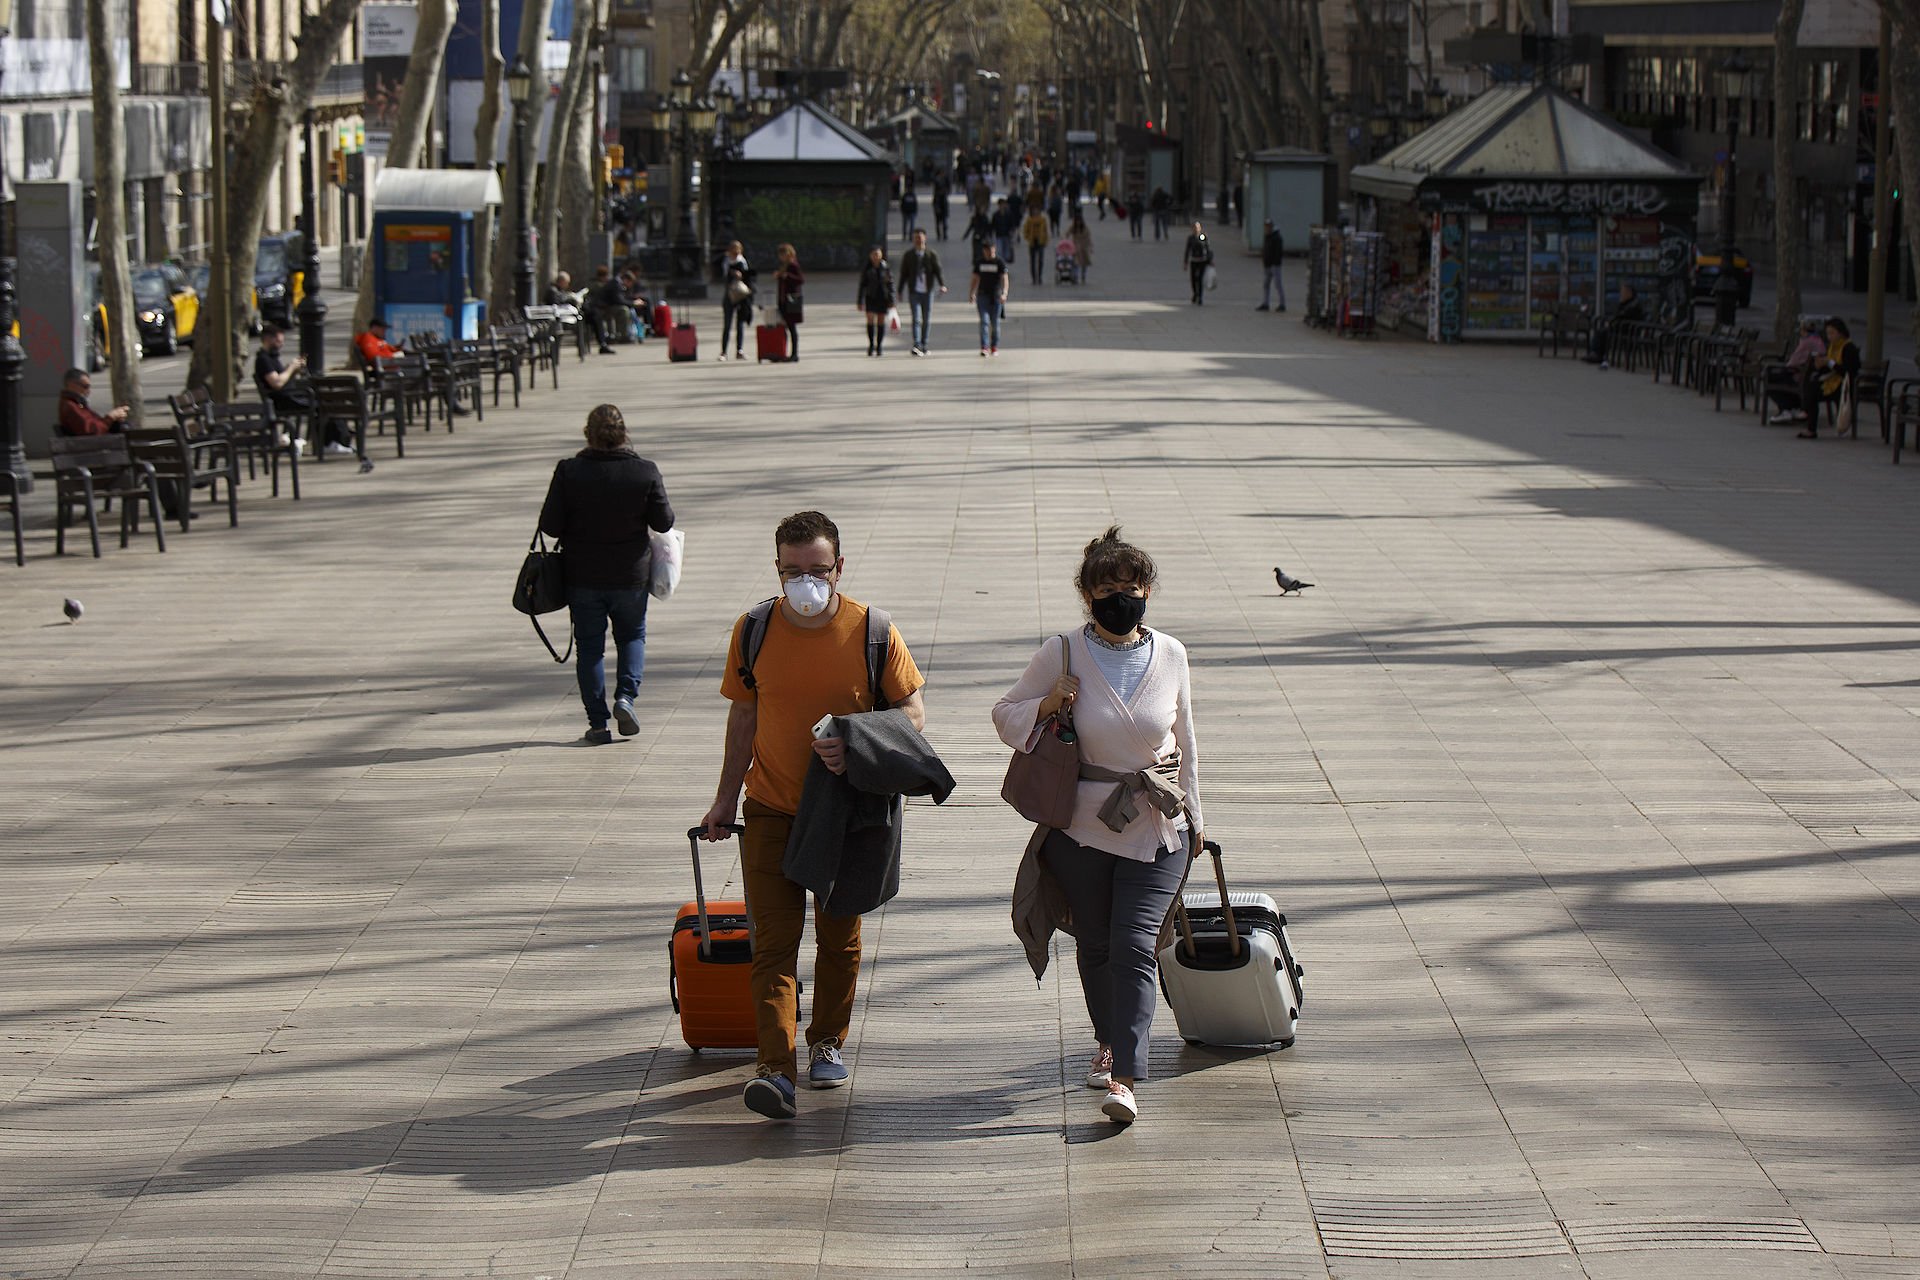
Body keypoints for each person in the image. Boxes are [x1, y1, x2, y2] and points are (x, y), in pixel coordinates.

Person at [701, 510, 928, 1121]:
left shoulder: (871, 630)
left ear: (838, 568)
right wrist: (726, 798)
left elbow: (913, 714)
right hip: (771, 807)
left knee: (838, 937)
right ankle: (775, 1070)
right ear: (777, 568)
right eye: (792, 570)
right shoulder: (753, 630)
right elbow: (743, 718)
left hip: (849, 813)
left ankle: (826, 1041)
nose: (805, 581)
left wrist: (854, 739)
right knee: (773, 946)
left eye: (817, 570)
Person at [993, 526, 1203, 1127]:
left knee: (1136, 944)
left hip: (1157, 824)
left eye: (1132, 587)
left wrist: (1199, 818)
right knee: (1097, 943)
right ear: (1087, 596)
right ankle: (1108, 1038)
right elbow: (1004, 716)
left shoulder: (1172, 653)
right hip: (1081, 825)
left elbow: (1187, 741)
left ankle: (1126, 1076)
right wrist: (1045, 703)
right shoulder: (1061, 652)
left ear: (1149, 591)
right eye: (1107, 588)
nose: (1121, 598)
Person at [537, 404, 675, 745]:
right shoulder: (644, 471)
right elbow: (664, 522)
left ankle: (598, 724)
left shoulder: (569, 471)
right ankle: (625, 698)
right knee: (631, 637)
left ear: (588, 434)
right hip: (630, 576)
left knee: (590, 649)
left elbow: (549, 526)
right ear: (624, 433)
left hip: (582, 577)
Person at [1775, 316, 1860, 437]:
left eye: (1832, 333)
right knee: (1811, 383)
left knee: (1813, 390)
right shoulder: (1832, 347)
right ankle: (1807, 420)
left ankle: (1808, 422)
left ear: (1841, 333)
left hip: (1844, 384)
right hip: (1832, 381)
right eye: (1828, 333)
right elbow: (1829, 367)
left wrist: (1829, 363)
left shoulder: (1848, 348)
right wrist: (1819, 365)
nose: (1830, 337)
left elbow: (1847, 371)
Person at [897, 228, 947, 356]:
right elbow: (904, 274)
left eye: (920, 237)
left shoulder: (931, 255)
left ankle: (924, 344)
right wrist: (900, 290)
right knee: (916, 318)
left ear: (925, 238)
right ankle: (917, 344)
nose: (918, 240)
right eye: (915, 238)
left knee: (926, 319)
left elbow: (938, 270)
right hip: (914, 291)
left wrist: (942, 285)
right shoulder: (908, 256)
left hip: (927, 291)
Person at [1584, 282, 1647, 367]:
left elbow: (1622, 316)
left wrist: (1612, 322)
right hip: (1623, 328)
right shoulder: (1628, 303)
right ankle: (1595, 353)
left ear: (1629, 293)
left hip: (1627, 330)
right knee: (1601, 331)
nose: (1621, 294)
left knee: (1602, 332)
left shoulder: (1633, 304)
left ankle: (1597, 354)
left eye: (1623, 292)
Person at [57, 368, 129, 436]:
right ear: (72, 385)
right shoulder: (70, 405)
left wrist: (114, 419)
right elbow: (93, 430)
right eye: (85, 386)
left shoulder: (77, 403)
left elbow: (95, 423)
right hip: (91, 444)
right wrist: (110, 417)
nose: (88, 391)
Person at [970, 239, 1009, 357]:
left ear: (994, 249)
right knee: (984, 322)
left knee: (995, 323)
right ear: (984, 251)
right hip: (982, 296)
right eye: (987, 250)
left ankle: (994, 346)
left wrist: (1004, 293)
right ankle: (984, 346)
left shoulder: (999, 262)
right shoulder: (979, 263)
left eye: (991, 250)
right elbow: (975, 278)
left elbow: (1005, 279)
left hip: (996, 297)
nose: (989, 253)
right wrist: (972, 293)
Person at [856, 245, 896, 357]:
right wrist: (860, 301)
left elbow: (890, 284)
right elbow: (862, 285)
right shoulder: (867, 269)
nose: (876, 257)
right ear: (870, 256)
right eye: (874, 254)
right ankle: (871, 344)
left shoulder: (885, 267)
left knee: (880, 321)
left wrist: (892, 300)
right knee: (870, 320)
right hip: (870, 297)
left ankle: (879, 345)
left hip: (883, 297)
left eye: (878, 254)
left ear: (881, 255)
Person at [719, 240, 754, 361]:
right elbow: (722, 274)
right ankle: (723, 351)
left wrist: (742, 275)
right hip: (729, 295)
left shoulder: (742, 261)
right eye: (732, 251)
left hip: (740, 296)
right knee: (727, 324)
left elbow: (749, 278)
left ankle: (739, 350)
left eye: (736, 251)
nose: (734, 254)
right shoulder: (725, 261)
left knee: (739, 324)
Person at [774, 243, 804, 363]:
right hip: (783, 300)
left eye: (783, 254)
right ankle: (782, 351)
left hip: (791, 300)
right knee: (783, 327)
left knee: (791, 328)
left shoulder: (793, 265)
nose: (781, 257)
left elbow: (800, 280)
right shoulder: (784, 265)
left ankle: (794, 353)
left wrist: (787, 276)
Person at [1257, 220, 1286, 312]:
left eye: (1268, 227)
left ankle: (1282, 304)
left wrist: (1274, 262)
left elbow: (1278, 252)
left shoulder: (1276, 237)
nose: (1266, 228)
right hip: (1268, 265)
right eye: (1265, 227)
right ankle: (1266, 303)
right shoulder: (1267, 236)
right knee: (1266, 285)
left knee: (1278, 285)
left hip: (1274, 265)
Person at [1182, 222, 1213, 305]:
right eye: (1194, 227)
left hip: (1202, 261)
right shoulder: (1191, 238)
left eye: (1198, 227)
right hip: (1194, 261)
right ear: (1192, 229)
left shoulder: (1202, 236)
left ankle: (1200, 297)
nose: (1196, 229)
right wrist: (1185, 262)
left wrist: (1210, 260)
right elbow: (1187, 250)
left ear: (1200, 228)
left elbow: (1208, 247)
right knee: (1193, 279)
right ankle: (1195, 293)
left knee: (1200, 279)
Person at [1022, 205, 1051, 286]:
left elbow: (1045, 231)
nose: (1036, 212)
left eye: (1037, 210)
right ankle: (1034, 278)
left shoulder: (1043, 220)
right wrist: (1028, 238)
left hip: (1040, 242)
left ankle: (1040, 277)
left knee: (1040, 260)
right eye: (1034, 210)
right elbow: (1025, 230)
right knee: (1032, 261)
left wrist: (1045, 240)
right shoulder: (1029, 220)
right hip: (1032, 242)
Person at [1069, 212, 1093, 285]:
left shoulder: (1085, 228)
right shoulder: (1073, 227)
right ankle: (1075, 276)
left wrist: (1090, 247)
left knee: (1084, 263)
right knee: (1076, 262)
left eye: (1079, 221)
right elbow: (1067, 233)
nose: (1078, 222)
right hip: (1076, 247)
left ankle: (1083, 275)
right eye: (1077, 221)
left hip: (1084, 247)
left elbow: (1089, 238)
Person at [932, 171, 952, 241]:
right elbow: (935, 203)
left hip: (943, 208)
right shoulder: (937, 196)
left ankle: (943, 234)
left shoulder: (943, 196)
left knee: (943, 223)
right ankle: (939, 235)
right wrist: (936, 208)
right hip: (939, 208)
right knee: (939, 222)